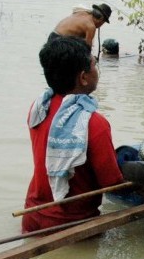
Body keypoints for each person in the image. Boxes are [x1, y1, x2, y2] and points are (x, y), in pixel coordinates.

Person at [22, 36, 123, 233]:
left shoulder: (39, 108)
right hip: (71, 225)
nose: (97, 71)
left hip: (32, 215)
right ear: (83, 77)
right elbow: (111, 182)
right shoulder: (93, 122)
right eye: (94, 64)